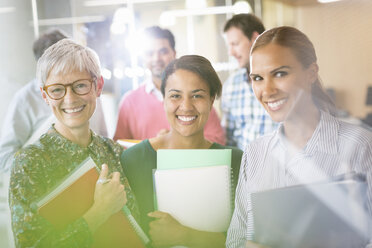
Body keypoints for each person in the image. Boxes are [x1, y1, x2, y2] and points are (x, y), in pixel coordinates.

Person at [226, 26, 372, 248]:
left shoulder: (360, 146)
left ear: (311, 73)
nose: (267, 90)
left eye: (280, 73)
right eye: (258, 78)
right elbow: (235, 240)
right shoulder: (255, 153)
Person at [9, 39, 139, 247]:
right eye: (57, 90)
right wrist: (100, 211)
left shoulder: (112, 151)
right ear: (45, 96)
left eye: (80, 86)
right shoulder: (30, 163)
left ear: (98, 86)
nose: (70, 99)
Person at [121, 55, 243, 248]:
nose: (186, 106)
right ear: (164, 99)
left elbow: (246, 240)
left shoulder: (236, 160)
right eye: (176, 95)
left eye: (197, 95)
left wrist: (186, 236)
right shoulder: (134, 159)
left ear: (212, 100)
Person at [0, 29, 107, 172]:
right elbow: (5, 158)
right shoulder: (25, 99)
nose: (70, 98)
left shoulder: (88, 92)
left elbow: (103, 137)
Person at [114, 26, 226, 145]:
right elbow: (119, 148)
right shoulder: (129, 102)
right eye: (150, 53)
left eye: (163, 52)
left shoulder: (197, 98)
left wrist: (178, 142)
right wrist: (154, 146)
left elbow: (217, 142)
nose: (156, 58)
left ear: (174, 54)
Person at [222, 14, 278, 150]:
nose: (231, 52)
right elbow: (228, 139)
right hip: (243, 167)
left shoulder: (283, 80)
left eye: (235, 44)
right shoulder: (231, 86)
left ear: (254, 38)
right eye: (229, 46)